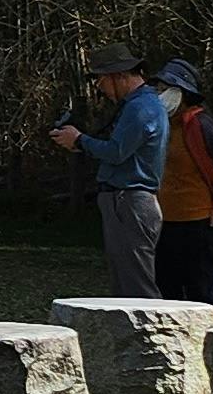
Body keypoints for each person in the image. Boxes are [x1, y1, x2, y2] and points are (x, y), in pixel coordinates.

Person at [51, 46, 170, 298]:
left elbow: (117, 152)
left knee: (138, 287)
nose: (100, 87)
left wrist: (80, 139)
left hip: (130, 200)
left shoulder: (141, 108)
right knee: (125, 285)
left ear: (119, 75)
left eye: (101, 80)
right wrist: (80, 143)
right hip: (124, 200)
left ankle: (150, 325)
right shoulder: (138, 105)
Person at [150, 56, 213, 300]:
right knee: (166, 290)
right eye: (158, 88)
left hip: (199, 220)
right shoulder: (163, 125)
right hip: (165, 221)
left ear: (182, 93)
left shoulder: (201, 125)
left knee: (199, 290)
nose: (160, 94)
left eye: (165, 89)